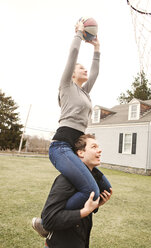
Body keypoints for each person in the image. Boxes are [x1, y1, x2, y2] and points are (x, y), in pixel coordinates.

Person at [48, 19, 111, 210]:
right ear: (72, 74)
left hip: (76, 148)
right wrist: (79, 33)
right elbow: (73, 53)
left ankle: (76, 218)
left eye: (84, 67)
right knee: (90, 189)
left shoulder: (85, 92)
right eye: (80, 67)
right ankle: (50, 220)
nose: (84, 69)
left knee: (105, 188)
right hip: (61, 147)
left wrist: (97, 48)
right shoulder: (66, 85)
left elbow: (95, 72)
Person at [33, 134, 112, 248]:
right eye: (94, 147)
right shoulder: (65, 180)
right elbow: (49, 220)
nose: (100, 150)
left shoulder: (92, 181)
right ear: (80, 153)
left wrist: (96, 205)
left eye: (98, 147)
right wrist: (84, 212)